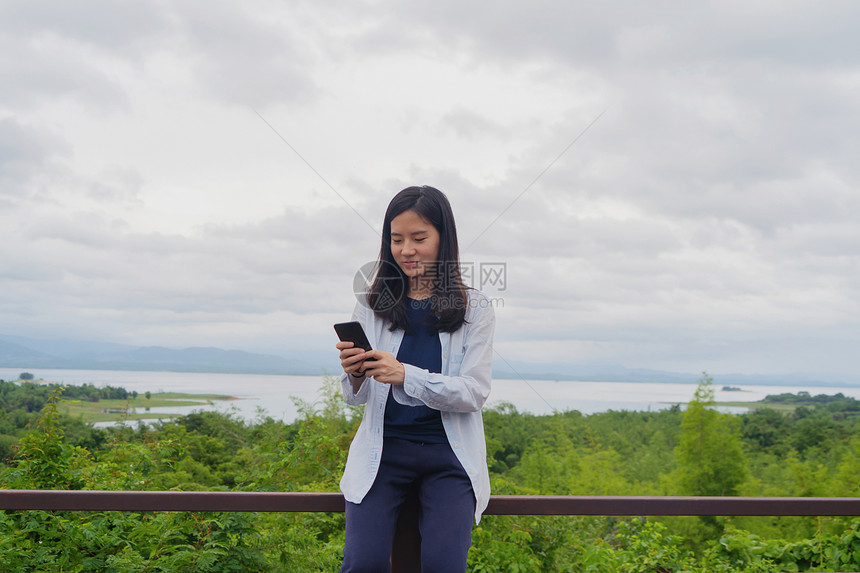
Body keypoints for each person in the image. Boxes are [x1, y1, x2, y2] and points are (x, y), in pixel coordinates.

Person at [335, 185, 495, 572]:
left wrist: (406, 375)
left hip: (448, 455)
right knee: (364, 563)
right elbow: (354, 399)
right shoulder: (372, 304)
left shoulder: (475, 307)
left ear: (444, 239)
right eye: (396, 239)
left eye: (419, 238)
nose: (406, 250)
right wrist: (356, 373)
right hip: (383, 451)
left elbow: (474, 392)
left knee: (444, 564)